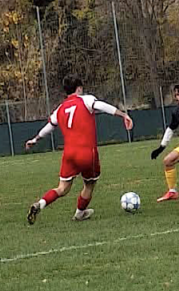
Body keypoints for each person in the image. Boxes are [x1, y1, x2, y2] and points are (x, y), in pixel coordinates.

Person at [25, 74, 133, 224]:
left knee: (62, 188)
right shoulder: (86, 99)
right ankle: (80, 213)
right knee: (89, 184)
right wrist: (123, 115)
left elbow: (49, 127)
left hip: (69, 154)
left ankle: (40, 204)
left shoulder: (60, 109)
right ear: (79, 88)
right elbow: (101, 105)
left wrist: (34, 139)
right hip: (87, 153)